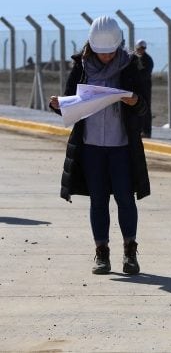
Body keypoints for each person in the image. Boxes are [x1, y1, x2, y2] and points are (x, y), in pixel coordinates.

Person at [48, 16, 151, 275]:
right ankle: (102, 253)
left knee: (126, 199)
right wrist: (58, 106)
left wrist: (134, 101)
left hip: (122, 146)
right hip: (90, 146)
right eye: (101, 52)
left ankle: (130, 252)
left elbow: (144, 106)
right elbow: (70, 104)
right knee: (98, 201)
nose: (106, 57)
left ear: (119, 46)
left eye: (110, 52)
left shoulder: (130, 66)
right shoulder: (80, 67)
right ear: (91, 47)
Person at [134, 40, 154, 138]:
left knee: (146, 108)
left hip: (145, 88)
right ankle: (139, 129)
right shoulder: (135, 59)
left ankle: (147, 131)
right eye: (139, 48)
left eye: (143, 48)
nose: (141, 50)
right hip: (137, 88)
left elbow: (144, 74)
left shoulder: (148, 60)